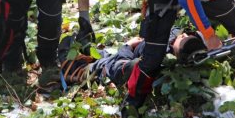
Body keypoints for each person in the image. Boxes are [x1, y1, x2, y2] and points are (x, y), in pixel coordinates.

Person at [58, 28, 205, 88]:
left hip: (112, 66)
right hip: (118, 55)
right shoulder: (173, 40)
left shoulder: (158, 56)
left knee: (104, 64)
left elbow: (122, 67)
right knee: (97, 50)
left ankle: (76, 70)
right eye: (187, 35)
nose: (184, 35)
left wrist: (128, 47)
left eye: (183, 39)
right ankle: (87, 49)